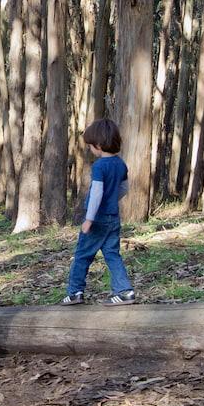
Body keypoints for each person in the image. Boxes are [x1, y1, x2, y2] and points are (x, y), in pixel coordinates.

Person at [61, 118, 135, 306]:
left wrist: (89, 219)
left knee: (82, 255)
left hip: (97, 220)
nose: (90, 149)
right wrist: (112, 201)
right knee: (112, 254)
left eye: (91, 146)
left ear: (100, 145)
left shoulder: (100, 166)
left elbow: (96, 193)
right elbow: (124, 189)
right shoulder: (121, 164)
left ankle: (75, 292)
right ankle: (124, 291)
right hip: (113, 218)